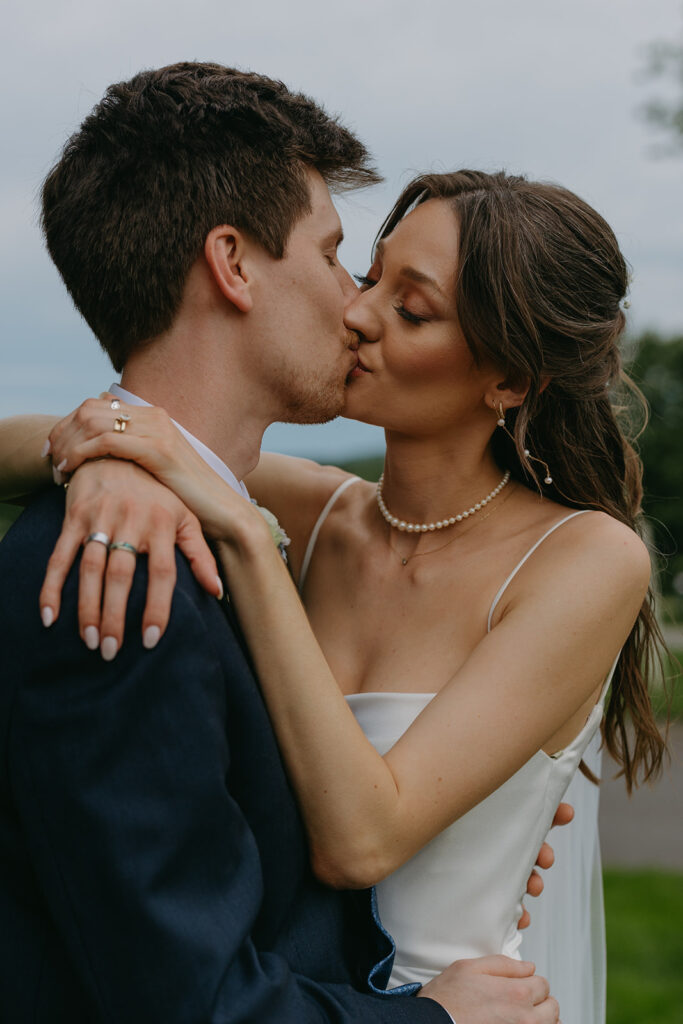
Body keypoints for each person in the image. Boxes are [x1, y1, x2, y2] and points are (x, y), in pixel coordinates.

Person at [3, 170, 668, 1023]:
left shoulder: (583, 559)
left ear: (507, 380)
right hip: (296, 993)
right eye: (367, 275)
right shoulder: (320, 509)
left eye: (412, 309)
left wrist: (243, 536)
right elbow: (66, 435)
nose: (356, 315)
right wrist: (103, 459)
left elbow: (364, 840)